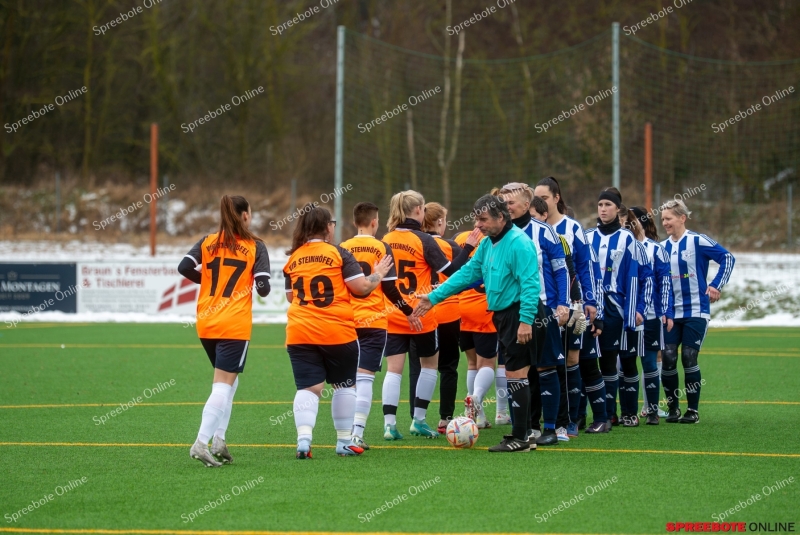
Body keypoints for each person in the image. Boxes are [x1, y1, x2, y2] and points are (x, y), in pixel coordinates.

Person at [414, 194, 541, 453]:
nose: (478, 225)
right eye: (476, 219)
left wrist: (526, 321)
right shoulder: (487, 244)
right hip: (502, 316)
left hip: (519, 314)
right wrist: (434, 297)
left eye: (483, 219)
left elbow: (530, 284)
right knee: (516, 374)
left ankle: (521, 437)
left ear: (500, 217)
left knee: (517, 374)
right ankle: (524, 434)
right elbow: (467, 274)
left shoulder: (519, 243)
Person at [283, 204, 393, 458]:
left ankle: (303, 441)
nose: (333, 227)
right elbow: (361, 287)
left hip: (299, 332)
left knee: (308, 388)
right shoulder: (338, 253)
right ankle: (344, 441)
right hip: (336, 331)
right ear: (326, 227)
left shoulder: (293, 257)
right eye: (331, 223)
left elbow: (291, 296)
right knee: (344, 385)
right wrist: (377, 274)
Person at [178, 195, 271, 467]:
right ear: (245, 216)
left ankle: (219, 439)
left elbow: (183, 267)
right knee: (222, 385)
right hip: (234, 324)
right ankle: (201, 442)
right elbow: (264, 289)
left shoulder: (207, 241)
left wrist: (208, 281)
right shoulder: (255, 246)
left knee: (229, 382)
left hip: (207, 322)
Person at [381, 190, 476, 440]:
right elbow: (452, 272)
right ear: (418, 210)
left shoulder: (386, 238)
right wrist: (468, 248)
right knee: (430, 365)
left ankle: (389, 425)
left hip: (393, 312)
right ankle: (419, 421)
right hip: (420, 312)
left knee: (394, 371)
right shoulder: (424, 240)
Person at [340, 202, 421, 449]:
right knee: (365, 379)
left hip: (347, 321)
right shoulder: (381, 247)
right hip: (374, 322)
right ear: (375, 222)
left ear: (355, 222)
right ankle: (357, 434)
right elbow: (389, 289)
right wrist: (408, 311)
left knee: (348, 382)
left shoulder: (342, 248)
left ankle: (344, 435)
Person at [499, 183, 569, 446]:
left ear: (526, 205)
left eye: (511, 203)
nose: (506, 207)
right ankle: (525, 428)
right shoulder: (499, 234)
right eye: (503, 203)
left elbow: (561, 270)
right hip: (511, 312)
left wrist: (562, 304)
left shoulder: (545, 231)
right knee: (517, 371)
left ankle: (550, 428)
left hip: (543, 310)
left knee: (546, 367)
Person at [407, 203, 480, 432]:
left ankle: (416, 415)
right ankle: (445, 418)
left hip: (419, 311)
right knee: (448, 367)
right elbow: (465, 274)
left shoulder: (414, 243)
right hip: (447, 312)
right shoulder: (450, 246)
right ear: (439, 221)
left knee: (418, 366)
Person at [660, 199, 734, 423]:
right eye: (662, 219)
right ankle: (673, 409)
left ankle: (692, 410)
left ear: (682, 218)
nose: (665, 223)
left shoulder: (697, 240)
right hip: (671, 313)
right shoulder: (662, 248)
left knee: (689, 357)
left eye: (669, 218)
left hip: (696, 310)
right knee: (668, 357)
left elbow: (727, 258)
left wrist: (716, 285)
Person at [534, 177, 598, 438]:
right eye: (537, 199)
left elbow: (584, 266)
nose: (541, 203)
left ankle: (572, 418)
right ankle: (547, 418)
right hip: (543, 308)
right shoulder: (531, 229)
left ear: (556, 198)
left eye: (545, 198)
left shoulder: (571, 228)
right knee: (546, 363)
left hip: (570, 306)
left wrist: (590, 301)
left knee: (571, 360)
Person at [584, 188, 641, 428]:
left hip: (614, 307)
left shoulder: (627, 238)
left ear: (618, 209)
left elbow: (633, 276)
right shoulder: (587, 236)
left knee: (609, 360)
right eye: (600, 205)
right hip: (589, 306)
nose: (603, 209)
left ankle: (609, 413)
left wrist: (632, 311)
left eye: (608, 204)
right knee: (587, 360)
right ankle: (587, 414)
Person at [629, 205, 674, 424]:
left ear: (642, 222)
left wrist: (666, 311)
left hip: (650, 316)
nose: (628, 225)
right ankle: (624, 413)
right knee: (623, 365)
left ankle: (652, 411)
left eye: (633, 220)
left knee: (649, 363)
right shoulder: (622, 246)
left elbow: (665, 282)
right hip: (626, 317)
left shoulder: (656, 249)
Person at [617, 204, 656, 427]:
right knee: (613, 365)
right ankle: (611, 414)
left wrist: (640, 309)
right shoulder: (600, 241)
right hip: (611, 315)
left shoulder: (642, 248)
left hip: (637, 317)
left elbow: (650, 281)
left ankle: (640, 411)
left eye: (624, 222)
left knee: (636, 362)